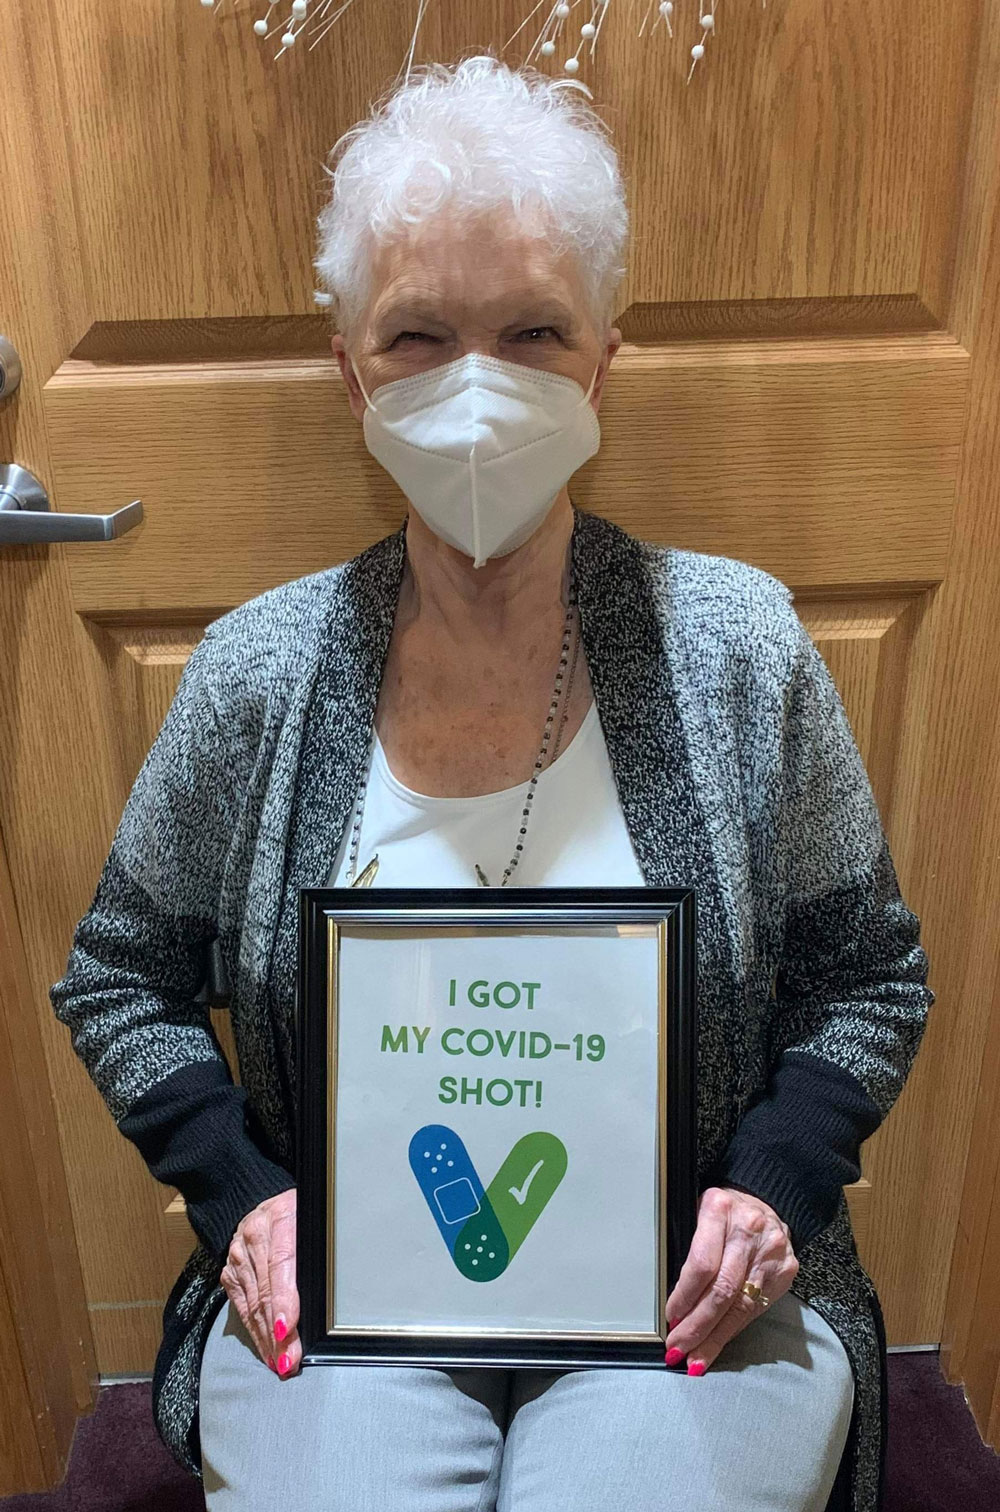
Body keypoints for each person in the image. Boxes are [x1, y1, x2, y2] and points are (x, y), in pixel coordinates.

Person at [49, 53, 934, 1512]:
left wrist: (774, 1193)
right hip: (352, 1285)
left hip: (677, 1294)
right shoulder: (258, 674)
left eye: (532, 328)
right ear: (350, 373)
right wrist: (239, 1198)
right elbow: (117, 976)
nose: (476, 383)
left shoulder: (738, 649)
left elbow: (870, 980)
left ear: (604, 360)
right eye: (416, 336)